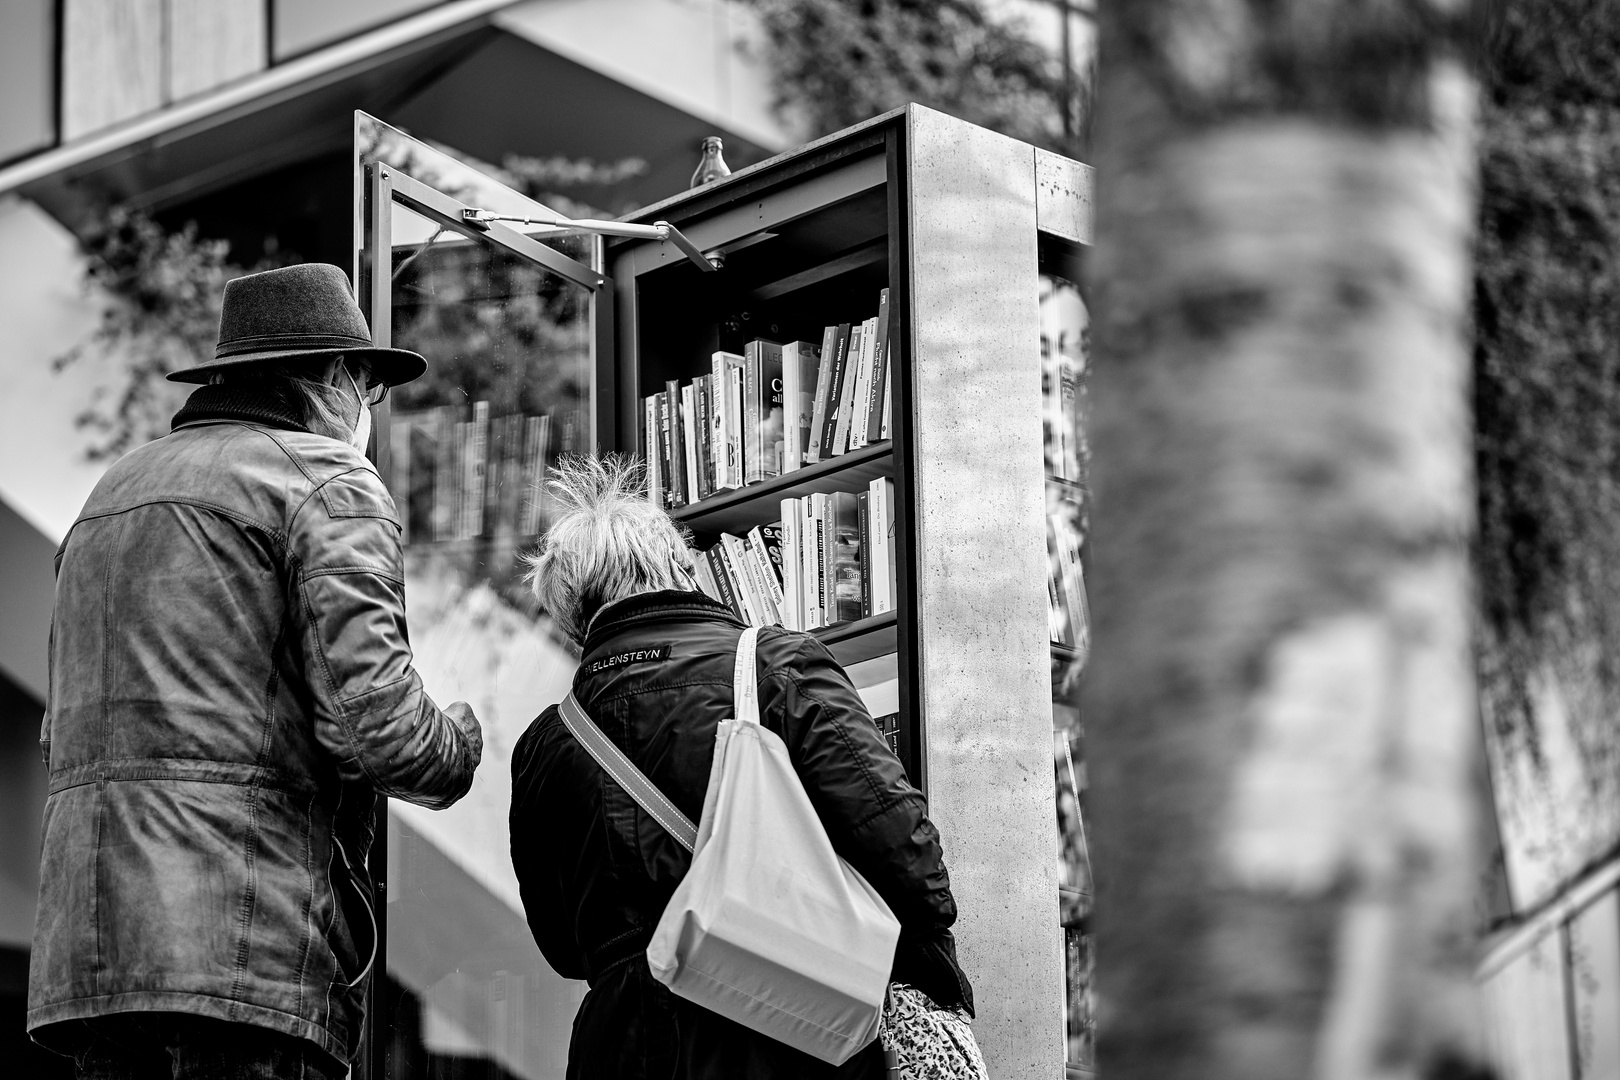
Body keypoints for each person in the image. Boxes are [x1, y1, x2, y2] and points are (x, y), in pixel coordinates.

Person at [28, 263, 484, 1079]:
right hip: (244, 951)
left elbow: (57, 734)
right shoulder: (324, 477)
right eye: (369, 392)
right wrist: (464, 742)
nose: (368, 416)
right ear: (341, 381)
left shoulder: (109, 494)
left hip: (91, 959)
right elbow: (381, 733)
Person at [509, 456, 973, 1079]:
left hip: (621, 1049)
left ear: (572, 617)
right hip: (790, 1031)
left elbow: (563, 947)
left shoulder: (546, 743)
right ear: (679, 568)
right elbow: (905, 856)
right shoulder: (776, 668)